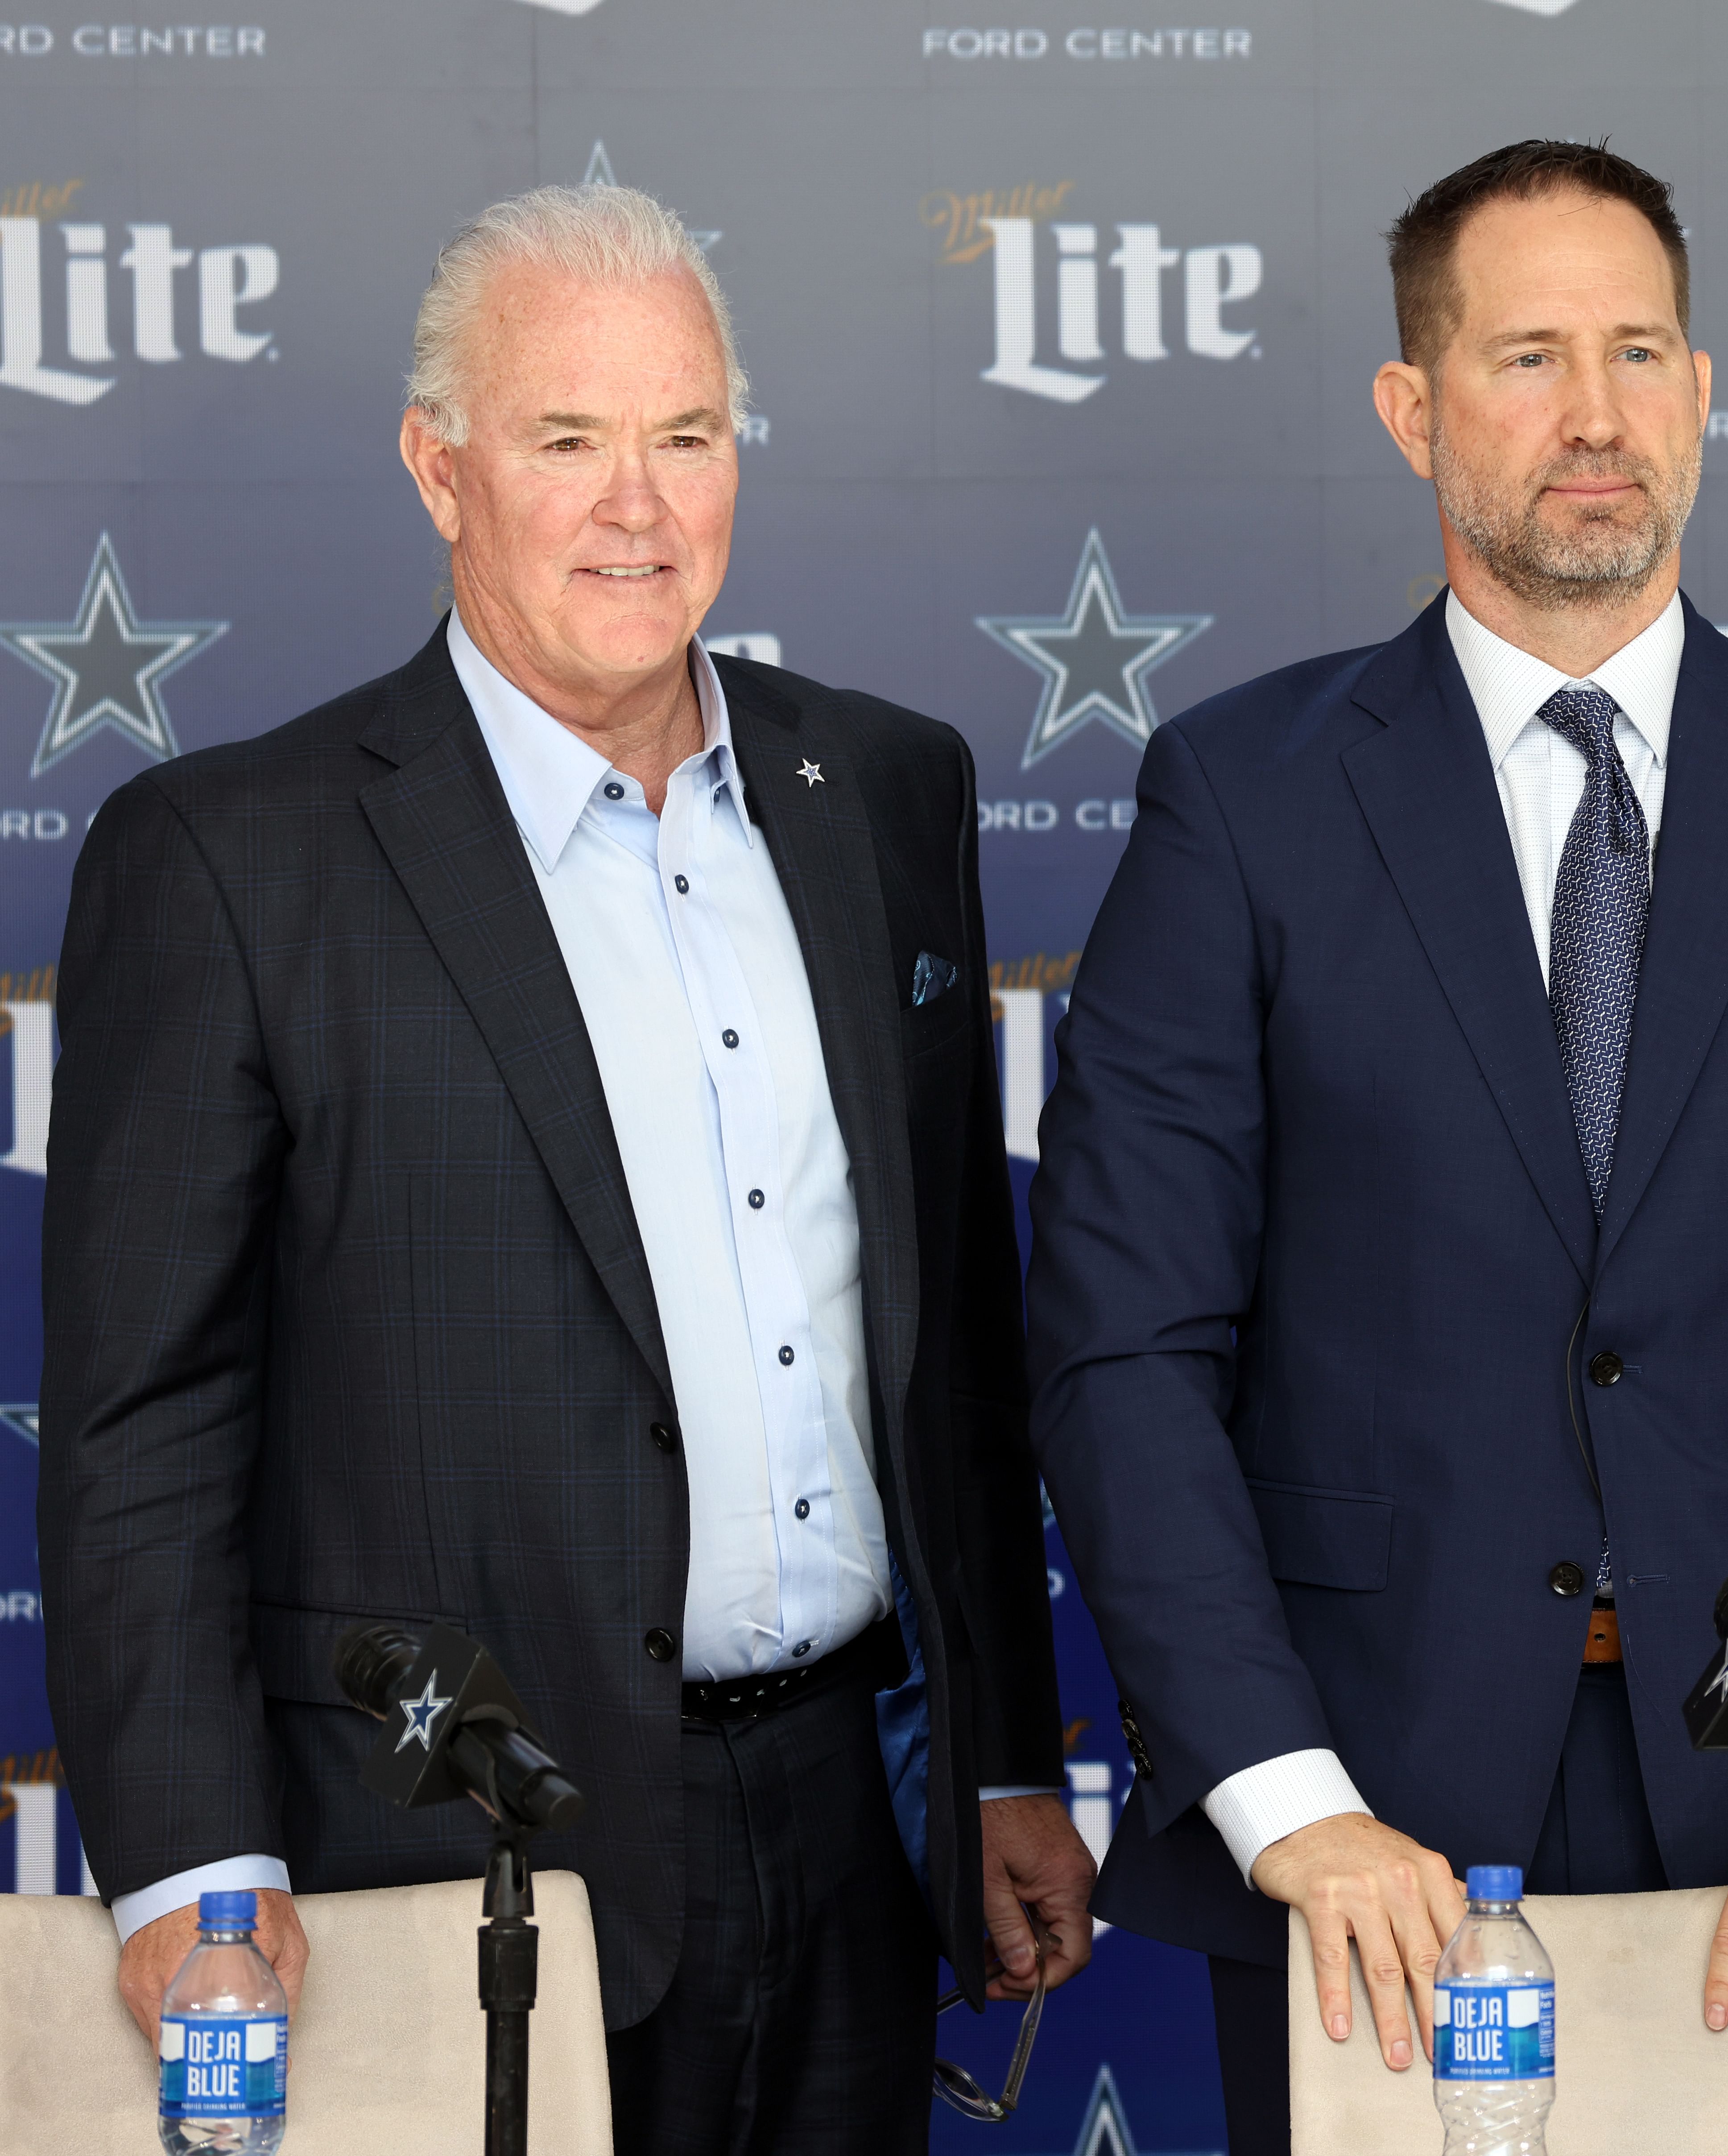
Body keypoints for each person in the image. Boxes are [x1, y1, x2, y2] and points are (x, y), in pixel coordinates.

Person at [1025, 138, 1728, 2148]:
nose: (1595, 416)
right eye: (1527, 358)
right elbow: (1124, 1338)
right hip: (1374, 1826)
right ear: (1413, 410)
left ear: (1700, 388)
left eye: (1639, 352)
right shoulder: (1242, 799)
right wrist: (1285, 1797)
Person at [38, 183, 1089, 2156]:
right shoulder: (232, 858)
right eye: (568, 438)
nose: (640, 502)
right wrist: (190, 1862)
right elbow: (142, 1424)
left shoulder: (885, 789)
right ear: (441, 469)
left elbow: (950, 1341)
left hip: (859, 1835)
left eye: (687, 435)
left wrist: (1006, 1761)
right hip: (444, 1868)